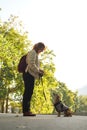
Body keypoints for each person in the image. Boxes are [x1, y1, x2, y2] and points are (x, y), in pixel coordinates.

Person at [22, 42, 45, 116]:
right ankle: (26, 111)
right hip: (28, 74)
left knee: (29, 92)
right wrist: (38, 71)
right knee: (28, 92)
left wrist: (40, 70)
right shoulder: (32, 52)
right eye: (42, 49)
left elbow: (33, 65)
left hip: (30, 74)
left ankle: (27, 110)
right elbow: (31, 64)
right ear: (39, 48)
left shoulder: (34, 53)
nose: (42, 51)